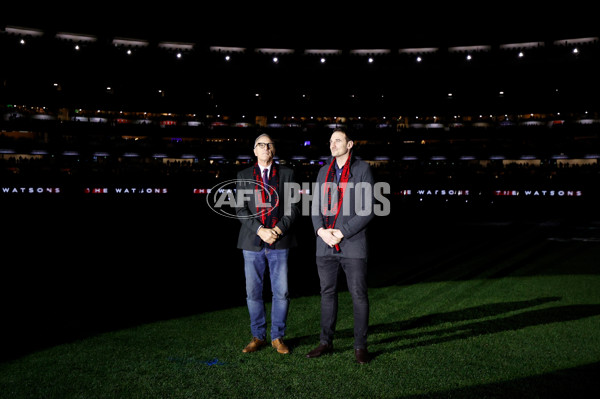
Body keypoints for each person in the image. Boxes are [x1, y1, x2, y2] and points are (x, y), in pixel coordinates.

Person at [306, 128, 375, 364]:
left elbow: (367, 210)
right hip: (324, 244)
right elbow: (314, 206)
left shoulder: (362, 169)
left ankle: (360, 346)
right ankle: (325, 342)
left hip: (353, 244)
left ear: (350, 144)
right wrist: (321, 232)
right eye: (330, 141)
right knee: (327, 294)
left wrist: (342, 232)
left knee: (358, 295)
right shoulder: (323, 171)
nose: (332, 144)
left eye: (338, 140)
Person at [235, 133, 299, 354]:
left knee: (281, 293)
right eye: (260, 145)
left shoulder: (287, 174)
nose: (265, 148)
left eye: (269, 144)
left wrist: (278, 230)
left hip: (279, 242)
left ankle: (277, 337)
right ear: (254, 150)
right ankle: (258, 336)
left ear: (274, 149)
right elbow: (240, 210)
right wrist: (261, 231)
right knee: (253, 293)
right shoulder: (243, 175)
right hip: (252, 243)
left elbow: (294, 208)